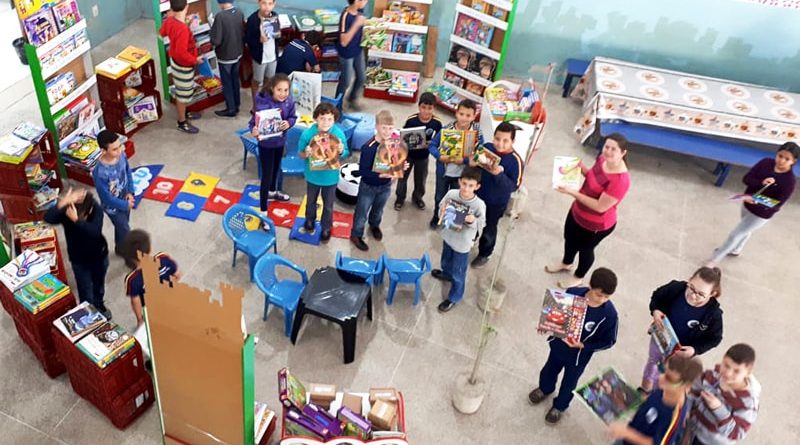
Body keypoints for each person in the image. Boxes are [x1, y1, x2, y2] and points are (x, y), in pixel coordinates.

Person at [528, 267, 619, 424]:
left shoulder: (609, 315)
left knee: (569, 383)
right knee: (549, 370)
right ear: (590, 285)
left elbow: (609, 341)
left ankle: (560, 406)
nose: (602, 299)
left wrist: (584, 345)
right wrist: (547, 325)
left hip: (578, 357)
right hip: (558, 346)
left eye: (607, 297)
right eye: (599, 294)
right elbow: (557, 314)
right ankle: (545, 388)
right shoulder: (572, 293)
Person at [545, 133, 630, 288]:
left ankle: (579, 276)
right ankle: (566, 263)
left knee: (586, 250)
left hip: (595, 225)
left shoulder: (620, 181)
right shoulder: (602, 159)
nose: (608, 151)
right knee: (569, 238)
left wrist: (573, 193)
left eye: (614, 149)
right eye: (606, 147)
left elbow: (600, 206)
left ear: (623, 153)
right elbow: (592, 176)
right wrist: (580, 168)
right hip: (577, 211)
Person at [708, 142, 797, 265]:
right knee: (745, 229)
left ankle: (713, 261)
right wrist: (761, 183)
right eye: (780, 156)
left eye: (787, 159)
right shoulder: (765, 163)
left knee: (736, 234)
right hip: (746, 204)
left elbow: (777, 205)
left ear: (793, 161)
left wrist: (758, 202)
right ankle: (736, 249)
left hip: (761, 214)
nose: (781, 160)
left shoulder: (789, 181)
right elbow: (747, 179)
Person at [640, 267, 724, 395]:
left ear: (713, 294)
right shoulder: (676, 289)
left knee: (669, 373)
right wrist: (656, 311)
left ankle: (657, 394)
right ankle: (645, 389)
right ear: (689, 280)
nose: (693, 295)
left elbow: (715, 338)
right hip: (661, 338)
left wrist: (695, 349)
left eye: (701, 294)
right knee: (653, 362)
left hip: (681, 352)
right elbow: (657, 296)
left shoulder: (713, 315)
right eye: (691, 287)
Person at [44, 188, 111, 319]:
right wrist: (64, 202)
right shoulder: (68, 211)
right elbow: (48, 217)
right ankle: (88, 316)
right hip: (79, 260)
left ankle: (99, 304)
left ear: (89, 210)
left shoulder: (95, 208)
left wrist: (77, 220)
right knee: (85, 291)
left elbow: (95, 231)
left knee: (99, 286)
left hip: (99, 256)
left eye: (83, 216)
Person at [608, 355, 704, 445]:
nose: (660, 378)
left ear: (686, 386)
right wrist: (625, 403)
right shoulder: (663, 389)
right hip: (628, 437)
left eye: (669, 378)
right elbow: (649, 402)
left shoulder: (674, 416)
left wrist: (627, 433)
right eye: (662, 370)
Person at [430, 167, 486, 313]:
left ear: (477, 187)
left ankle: (454, 297)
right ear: (459, 181)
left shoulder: (479, 205)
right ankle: (446, 273)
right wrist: (441, 211)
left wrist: (472, 220)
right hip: (448, 236)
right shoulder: (452, 193)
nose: (466, 188)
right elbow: (441, 205)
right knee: (446, 259)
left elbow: (482, 223)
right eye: (464, 183)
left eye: (471, 185)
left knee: (459, 272)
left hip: (463, 244)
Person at [350, 110, 406, 251]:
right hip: (368, 187)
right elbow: (363, 172)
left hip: (385, 186)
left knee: (378, 209)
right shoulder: (368, 147)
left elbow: (395, 162)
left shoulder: (394, 145)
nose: (387, 131)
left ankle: (374, 225)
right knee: (362, 212)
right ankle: (356, 234)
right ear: (376, 126)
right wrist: (380, 175)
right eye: (384, 128)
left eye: (390, 128)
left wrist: (400, 167)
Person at [471, 122, 524, 268]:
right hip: (477, 195)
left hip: (496, 203)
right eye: (497, 139)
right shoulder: (487, 148)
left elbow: (514, 186)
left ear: (513, 141)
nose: (500, 144)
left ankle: (484, 254)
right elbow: (475, 163)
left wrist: (498, 174)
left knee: (489, 228)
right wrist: (473, 162)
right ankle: (470, 239)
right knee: (472, 220)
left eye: (505, 140)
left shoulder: (516, 161)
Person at [685, 343, 760, 445]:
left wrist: (718, 409)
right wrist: (687, 410)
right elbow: (694, 390)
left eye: (736, 371)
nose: (728, 373)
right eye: (726, 365)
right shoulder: (712, 375)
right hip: (691, 429)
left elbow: (737, 433)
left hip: (711, 442)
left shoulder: (748, 403)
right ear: (723, 358)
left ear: (748, 372)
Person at [297, 102, 350, 241]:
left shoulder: (338, 134)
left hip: (330, 177)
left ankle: (326, 227)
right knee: (311, 201)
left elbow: (345, 153)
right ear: (315, 118)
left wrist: (341, 150)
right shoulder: (308, 134)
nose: (326, 122)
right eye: (322, 118)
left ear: (334, 120)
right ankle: (309, 221)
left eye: (330, 119)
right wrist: (306, 153)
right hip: (313, 175)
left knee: (328, 205)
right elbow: (300, 153)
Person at [428, 99, 483, 230]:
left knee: (458, 200)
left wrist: (464, 160)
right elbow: (432, 145)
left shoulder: (476, 131)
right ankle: (437, 216)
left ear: (474, 116)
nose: (464, 118)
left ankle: (454, 221)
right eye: (461, 114)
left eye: (468, 115)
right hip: (444, 172)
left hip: (462, 176)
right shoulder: (446, 129)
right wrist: (440, 156)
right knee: (439, 197)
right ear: (456, 113)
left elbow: (480, 150)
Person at [249, 73, 297, 210]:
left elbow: (293, 117)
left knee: (276, 169)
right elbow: (252, 123)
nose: (283, 94)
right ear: (272, 89)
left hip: (280, 143)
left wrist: (289, 123)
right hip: (266, 145)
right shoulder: (262, 104)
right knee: (267, 175)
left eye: (286, 90)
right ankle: (263, 209)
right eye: (279, 90)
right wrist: (254, 130)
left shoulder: (289, 102)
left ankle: (273, 192)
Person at [159, 0, 202, 133]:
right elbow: (181, 53)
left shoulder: (169, 20)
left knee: (184, 90)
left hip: (175, 63)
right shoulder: (182, 28)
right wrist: (195, 60)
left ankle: (184, 112)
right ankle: (182, 121)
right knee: (183, 94)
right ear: (187, 7)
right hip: (183, 65)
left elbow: (161, 33)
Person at [120, 229, 179, 326]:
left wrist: (139, 319)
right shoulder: (164, 257)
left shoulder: (132, 279)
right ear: (150, 248)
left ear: (130, 257)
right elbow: (177, 274)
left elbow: (135, 301)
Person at [395, 92, 442, 211]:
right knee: (402, 177)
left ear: (434, 108)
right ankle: (400, 198)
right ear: (419, 107)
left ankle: (417, 198)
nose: (426, 111)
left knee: (421, 179)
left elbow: (440, 139)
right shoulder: (411, 120)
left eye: (430, 108)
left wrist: (431, 144)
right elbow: (403, 137)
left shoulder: (437, 123)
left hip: (423, 156)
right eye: (423, 107)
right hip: (408, 155)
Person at [92, 130, 133, 254]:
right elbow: (106, 198)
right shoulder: (100, 172)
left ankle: (120, 248)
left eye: (119, 146)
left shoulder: (122, 156)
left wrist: (130, 192)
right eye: (114, 149)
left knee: (122, 226)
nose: (119, 151)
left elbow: (128, 172)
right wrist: (125, 205)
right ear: (104, 151)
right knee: (125, 229)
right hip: (113, 208)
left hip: (125, 198)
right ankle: (129, 254)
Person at [210, 0, 245, 117]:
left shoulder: (220, 16)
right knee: (235, 79)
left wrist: (211, 32)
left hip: (225, 55)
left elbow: (216, 40)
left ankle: (230, 108)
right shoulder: (239, 12)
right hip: (238, 52)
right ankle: (237, 104)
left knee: (227, 82)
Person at [245, 0, 279, 110]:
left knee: (269, 81)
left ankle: (265, 102)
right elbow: (248, 40)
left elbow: (277, 35)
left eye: (270, 4)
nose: (267, 7)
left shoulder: (275, 16)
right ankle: (255, 106)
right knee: (257, 81)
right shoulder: (253, 19)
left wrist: (278, 33)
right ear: (258, 3)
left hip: (272, 56)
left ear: (274, 4)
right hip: (260, 57)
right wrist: (258, 40)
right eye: (264, 3)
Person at [334, 0, 368, 110]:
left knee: (362, 77)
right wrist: (356, 24)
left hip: (358, 50)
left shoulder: (360, 11)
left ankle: (352, 99)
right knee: (346, 81)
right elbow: (343, 41)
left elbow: (361, 28)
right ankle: (337, 106)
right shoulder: (345, 16)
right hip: (346, 54)